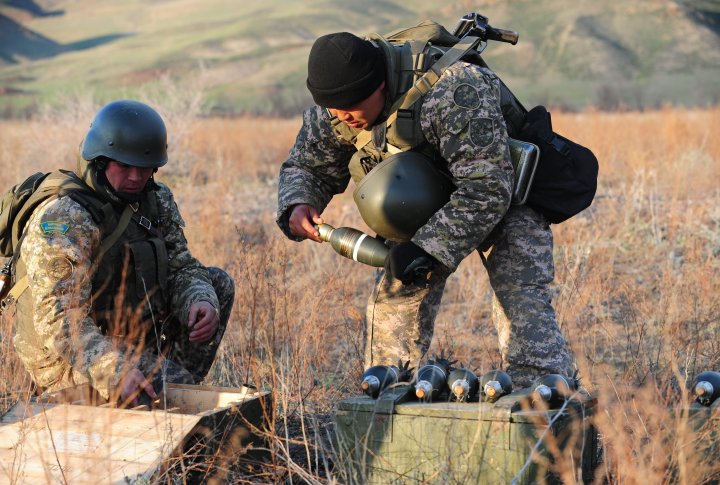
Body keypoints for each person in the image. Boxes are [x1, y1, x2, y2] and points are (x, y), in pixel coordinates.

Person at [276, 31, 574, 387]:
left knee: (522, 301)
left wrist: (426, 249)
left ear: (380, 85)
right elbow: (307, 165)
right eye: (334, 108)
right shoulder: (338, 107)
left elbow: (488, 187)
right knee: (394, 296)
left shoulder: (455, 90)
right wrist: (298, 202)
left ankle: (546, 407)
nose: (343, 115)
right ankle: (387, 397)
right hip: (421, 201)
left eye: (353, 104)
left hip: (504, 197)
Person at [11, 99, 235, 405]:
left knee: (216, 285)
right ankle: (158, 391)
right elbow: (58, 319)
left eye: (144, 169)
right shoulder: (65, 217)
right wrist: (112, 370)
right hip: (66, 356)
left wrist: (200, 301)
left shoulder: (155, 200)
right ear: (101, 160)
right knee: (173, 389)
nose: (135, 177)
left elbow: (182, 267)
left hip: (129, 336)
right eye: (124, 166)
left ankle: (167, 386)